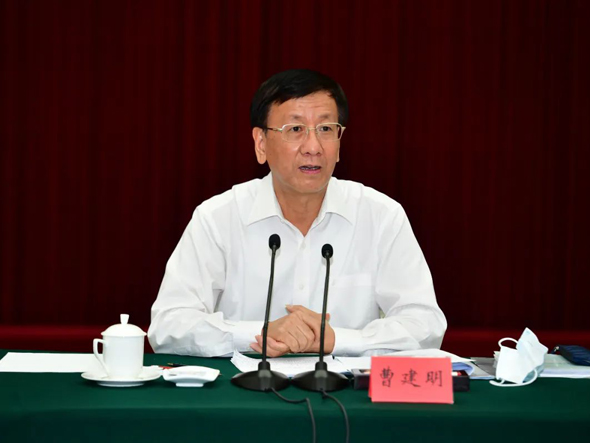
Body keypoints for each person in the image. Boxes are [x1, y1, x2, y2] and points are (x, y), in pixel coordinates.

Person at [148, 69, 446, 357]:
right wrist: (260, 333)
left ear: (339, 142)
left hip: (344, 388)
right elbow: (168, 325)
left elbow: (425, 325)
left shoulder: (381, 216)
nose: (313, 147)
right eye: (295, 130)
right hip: (246, 386)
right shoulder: (218, 217)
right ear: (261, 144)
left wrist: (336, 339)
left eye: (326, 129)